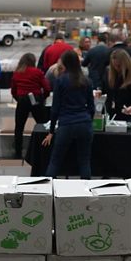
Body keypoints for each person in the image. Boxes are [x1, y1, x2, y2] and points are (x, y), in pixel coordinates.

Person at [43, 51, 96, 179]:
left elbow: (55, 108)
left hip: (66, 123)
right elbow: (92, 107)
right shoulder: (86, 81)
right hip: (84, 123)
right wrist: (89, 120)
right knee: (84, 161)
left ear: (65, 63)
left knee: (55, 160)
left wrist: (51, 131)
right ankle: (86, 192)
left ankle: (48, 191)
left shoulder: (60, 81)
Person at [10, 53, 50, 159]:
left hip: (22, 99)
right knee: (42, 125)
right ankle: (44, 148)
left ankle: (18, 152)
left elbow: (13, 90)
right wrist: (43, 98)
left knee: (19, 127)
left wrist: (18, 99)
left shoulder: (17, 73)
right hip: (36, 99)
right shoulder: (37, 72)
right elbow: (46, 88)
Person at [104, 49, 131, 121]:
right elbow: (105, 89)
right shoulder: (108, 72)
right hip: (112, 114)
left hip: (129, 116)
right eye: (114, 66)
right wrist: (100, 90)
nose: (116, 68)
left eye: (119, 66)